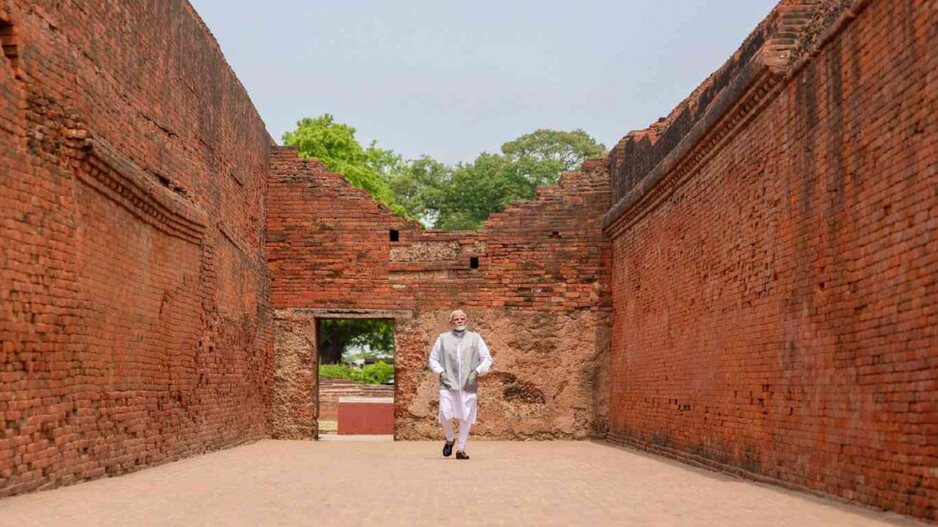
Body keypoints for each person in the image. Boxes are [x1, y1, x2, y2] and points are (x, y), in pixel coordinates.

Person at [428, 309, 493, 459]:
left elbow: (487, 358)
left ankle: (461, 449)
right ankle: (450, 439)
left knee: (466, 416)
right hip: (448, 383)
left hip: (468, 384)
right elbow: (433, 358)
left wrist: (476, 371)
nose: (459, 321)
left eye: (462, 319)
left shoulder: (475, 338)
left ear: (466, 320)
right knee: (445, 413)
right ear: (451, 322)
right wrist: (441, 373)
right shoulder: (442, 339)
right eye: (456, 319)